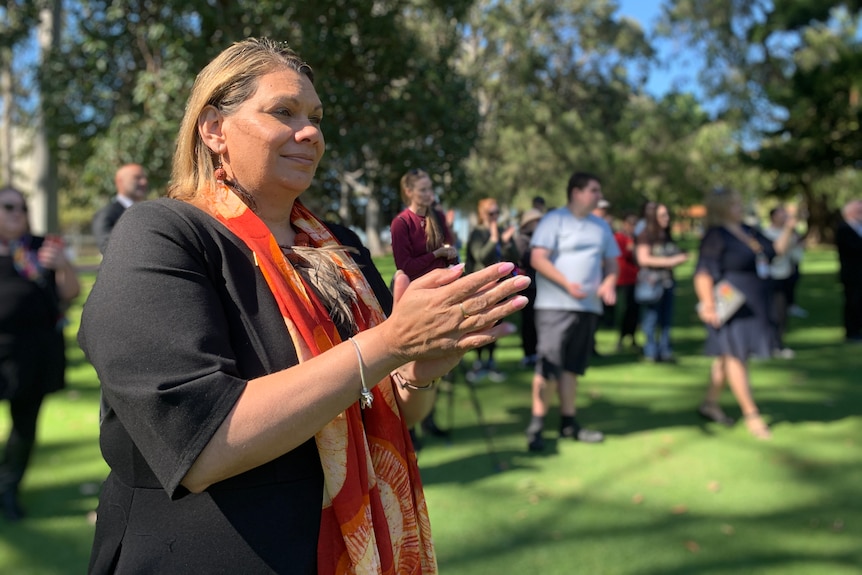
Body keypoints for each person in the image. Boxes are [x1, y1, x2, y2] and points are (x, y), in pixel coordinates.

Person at [78, 38, 529, 574]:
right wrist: (389, 343)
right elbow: (199, 445)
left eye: (315, 116)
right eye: (283, 112)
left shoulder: (338, 247)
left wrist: (421, 369)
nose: (311, 131)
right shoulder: (162, 234)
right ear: (213, 129)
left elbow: (395, 411)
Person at [0, 186, 80, 521]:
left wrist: (63, 266)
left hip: (35, 352)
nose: (17, 212)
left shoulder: (43, 247)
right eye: (8, 207)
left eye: (21, 207)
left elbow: (70, 294)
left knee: (25, 425)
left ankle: (8, 490)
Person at [525, 172, 619, 451]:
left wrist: (610, 282)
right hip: (555, 306)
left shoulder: (601, 226)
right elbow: (537, 258)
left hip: (588, 307)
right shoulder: (554, 221)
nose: (597, 195)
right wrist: (568, 284)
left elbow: (612, 262)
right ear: (576, 192)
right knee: (549, 366)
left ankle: (568, 424)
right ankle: (537, 427)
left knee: (571, 368)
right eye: (593, 190)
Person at [693, 187, 796, 440]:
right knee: (735, 355)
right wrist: (707, 304)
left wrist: (790, 227)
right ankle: (752, 414)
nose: (741, 208)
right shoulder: (716, 236)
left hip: (755, 301)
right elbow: (703, 272)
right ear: (722, 208)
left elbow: (774, 251)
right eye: (735, 204)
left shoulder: (749, 231)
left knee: (727, 357)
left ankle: (710, 403)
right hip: (729, 305)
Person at [390, 168, 459, 440]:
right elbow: (404, 266)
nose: (429, 194)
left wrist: (450, 256)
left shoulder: (437, 216)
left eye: (430, 188)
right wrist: (437, 254)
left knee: (438, 358)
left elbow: (449, 250)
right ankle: (411, 425)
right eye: (423, 190)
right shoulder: (402, 223)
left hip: (442, 293)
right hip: (414, 299)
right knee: (414, 359)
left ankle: (428, 418)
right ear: (409, 191)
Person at [464, 197, 520, 382]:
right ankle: (479, 362)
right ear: (482, 214)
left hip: (499, 286)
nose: (495, 217)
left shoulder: (502, 230)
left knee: (496, 323)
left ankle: (491, 362)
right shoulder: (477, 233)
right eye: (491, 213)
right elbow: (481, 256)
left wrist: (506, 242)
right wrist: (495, 239)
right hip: (482, 287)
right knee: (481, 324)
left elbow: (513, 258)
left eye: (497, 213)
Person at [635, 203, 689, 363]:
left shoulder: (666, 235)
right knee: (651, 318)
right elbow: (643, 259)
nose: (667, 218)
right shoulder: (645, 235)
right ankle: (650, 352)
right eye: (663, 215)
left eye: (667, 214)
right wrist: (670, 261)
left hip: (667, 281)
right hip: (651, 283)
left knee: (666, 319)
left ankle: (665, 351)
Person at [763, 205, 804, 357]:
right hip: (773, 276)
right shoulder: (767, 233)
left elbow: (796, 252)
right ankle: (772, 345)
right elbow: (778, 251)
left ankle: (776, 344)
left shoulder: (790, 233)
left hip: (787, 274)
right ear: (773, 217)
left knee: (782, 311)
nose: (785, 217)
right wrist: (788, 230)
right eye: (782, 215)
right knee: (775, 311)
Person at [91, 163, 149, 255]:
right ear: (120, 181)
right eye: (137, 178)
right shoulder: (106, 214)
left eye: (144, 178)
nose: (144, 182)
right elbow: (106, 247)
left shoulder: (148, 212)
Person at [514, 208, 544, 367]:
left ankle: (536, 352)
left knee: (538, 322)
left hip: (539, 285)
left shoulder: (537, 240)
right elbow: (527, 258)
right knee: (528, 322)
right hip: (527, 286)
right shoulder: (521, 239)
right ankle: (528, 354)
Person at [836, 199, 862, 343]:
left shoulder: (859, 227)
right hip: (852, 274)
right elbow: (854, 248)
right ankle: (851, 332)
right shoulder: (844, 228)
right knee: (853, 301)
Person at [614, 212, 640, 351]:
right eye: (630, 225)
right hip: (623, 279)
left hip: (635, 278)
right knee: (624, 309)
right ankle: (621, 338)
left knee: (634, 310)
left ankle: (633, 337)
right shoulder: (619, 238)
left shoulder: (635, 238)